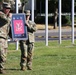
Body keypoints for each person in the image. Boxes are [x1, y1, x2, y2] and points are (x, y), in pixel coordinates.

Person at [0, 2, 11, 74]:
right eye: (6, 8)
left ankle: (1, 68)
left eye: (9, 8)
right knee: (1, 54)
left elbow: (8, 28)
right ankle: (1, 69)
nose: (8, 10)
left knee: (5, 54)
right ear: (3, 8)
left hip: (5, 38)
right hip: (0, 37)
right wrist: (10, 17)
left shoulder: (7, 16)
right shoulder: (1, 14)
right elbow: (7, 20)